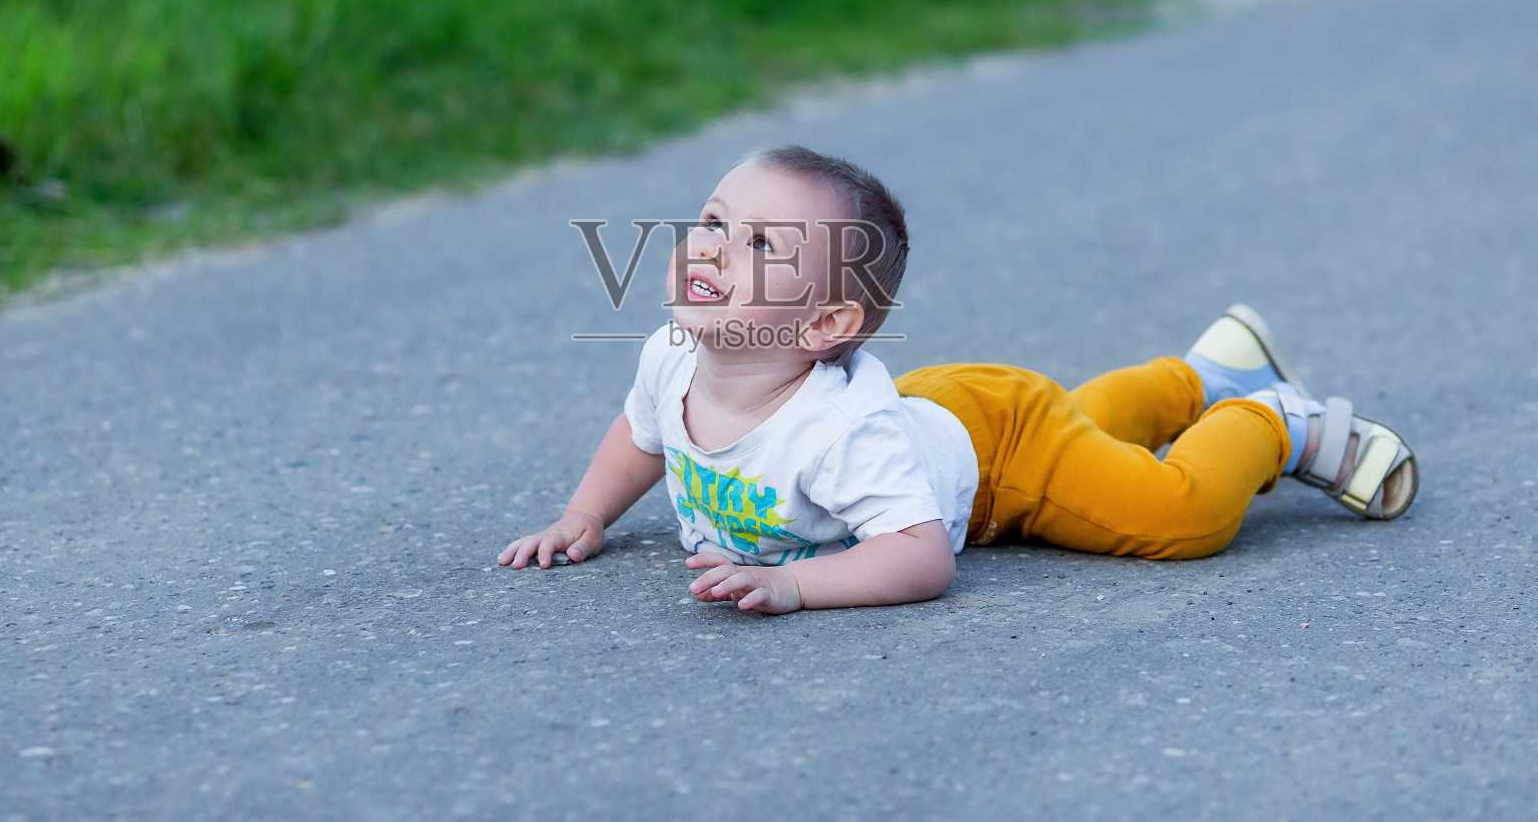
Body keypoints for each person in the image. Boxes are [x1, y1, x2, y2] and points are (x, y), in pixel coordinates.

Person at [498, 145, 1418, 613]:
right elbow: (641, 434)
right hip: (943, 412)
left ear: (824, 325)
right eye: (712, 219)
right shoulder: (674, 357)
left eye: (761, 245)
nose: (710, 246)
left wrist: (795, 587)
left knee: (1166, 511)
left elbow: (921, 557)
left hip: (1000, 456)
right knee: (1084, 422)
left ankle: (1274, 419)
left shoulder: (834, 431)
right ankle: (1199, 373)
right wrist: (586, 514)